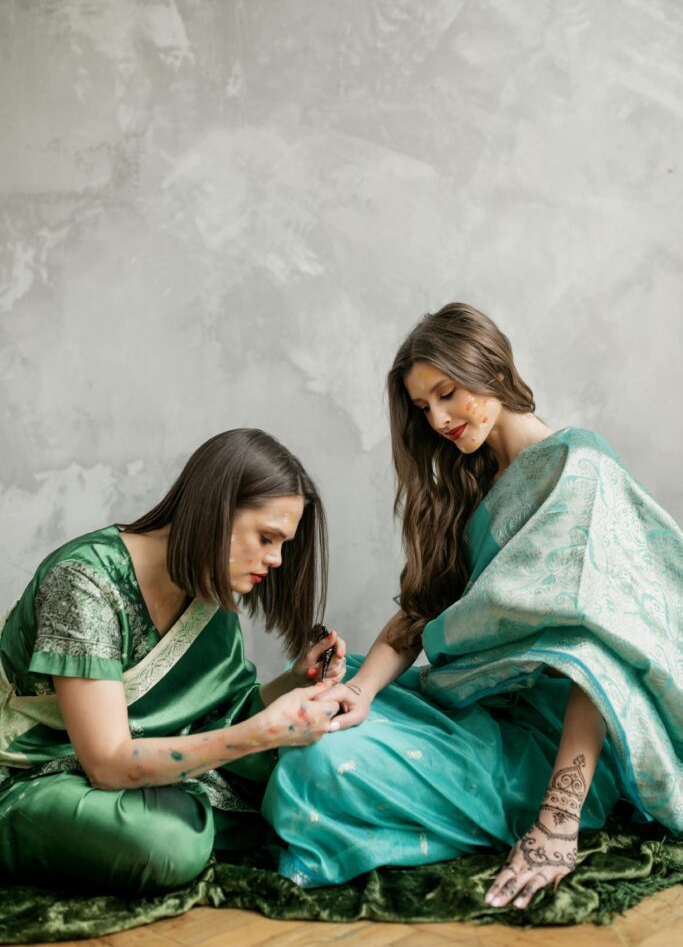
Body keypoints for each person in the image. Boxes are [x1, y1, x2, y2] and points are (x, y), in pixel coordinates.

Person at [263, 303, 682, 909]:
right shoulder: (466, 483)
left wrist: (558, 823)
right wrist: (362, 693)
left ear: (490, 367)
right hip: (470, 701)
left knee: (319, 764)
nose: (437, 419)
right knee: (309, 706)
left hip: (557, 738)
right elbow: (421, 614)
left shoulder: (578, 468)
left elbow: (594, 649)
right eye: (421, 407)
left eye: (448, 393)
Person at [0, 429, 346, 894]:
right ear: (216, 511)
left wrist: (294, 680)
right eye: (267, 537)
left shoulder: (207, 590)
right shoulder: (85, 583)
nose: (277, 559)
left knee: (320, 758)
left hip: (130, 770)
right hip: (34, 774)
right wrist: (263, 733)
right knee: (168, 845)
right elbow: (105, 764)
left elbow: (218, 711)